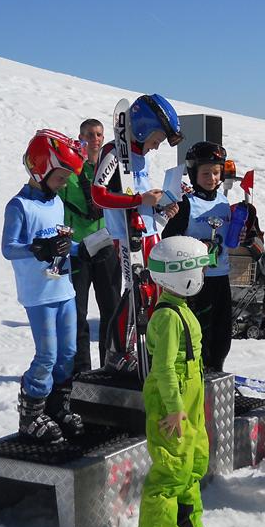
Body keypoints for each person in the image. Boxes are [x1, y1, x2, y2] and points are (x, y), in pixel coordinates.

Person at [2, 129, 88, 443]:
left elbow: (61, 241)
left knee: (68, 353)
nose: (64, 184)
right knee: (47, 355)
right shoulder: (19, 206)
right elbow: (9, 248)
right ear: (41, 168)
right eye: (61, 177)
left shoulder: (55, 203)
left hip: (64, 288)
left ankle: (57, 407)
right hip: (39, 294)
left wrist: (82, 248)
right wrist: (39, 248)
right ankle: (31, 414)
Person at [91, 94, 182, 368]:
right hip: (126, 235)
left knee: (153, 291)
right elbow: (98, 195)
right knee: (136, 292)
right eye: (156, 139)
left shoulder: (141, 156)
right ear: (143, 128)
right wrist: (140, 200)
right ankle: (119, 350)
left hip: (149, 231)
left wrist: (160, 207)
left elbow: (140, 197)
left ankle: (144, 348)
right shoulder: (113, 151)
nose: (156, 146)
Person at [136, 236, 212, 527]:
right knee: (172, 466)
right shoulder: (168, 316)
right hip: (172, 400)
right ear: (183, 274)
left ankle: (185, 521)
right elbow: (164, 368)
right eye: (199, 269)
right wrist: (174, 408)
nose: (203, 275)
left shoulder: (181, 308)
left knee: (193, 461)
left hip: (190, 396)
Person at [162, 141, 234, 371]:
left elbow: (229, 236)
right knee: (200, 332)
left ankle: (217, 370)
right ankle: (197, 374)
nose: (212, 178)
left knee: (222, 333)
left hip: (220, 276)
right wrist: (196, 246)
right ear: (194, 174)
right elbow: (169, 239)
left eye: (216, 172)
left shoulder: (223, 202)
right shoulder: (187, 204)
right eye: (206, 173)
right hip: (195, 281)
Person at [57, 118, 120, 372]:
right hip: (77, 250)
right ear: (81, 138)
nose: (95, 139)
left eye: (99, 135)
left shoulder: (112, 172)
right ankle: (80, 369)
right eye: (90, 134)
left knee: (112, 310)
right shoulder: (70, 172)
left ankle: (109, 365)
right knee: (77, 312)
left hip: (106, 248)